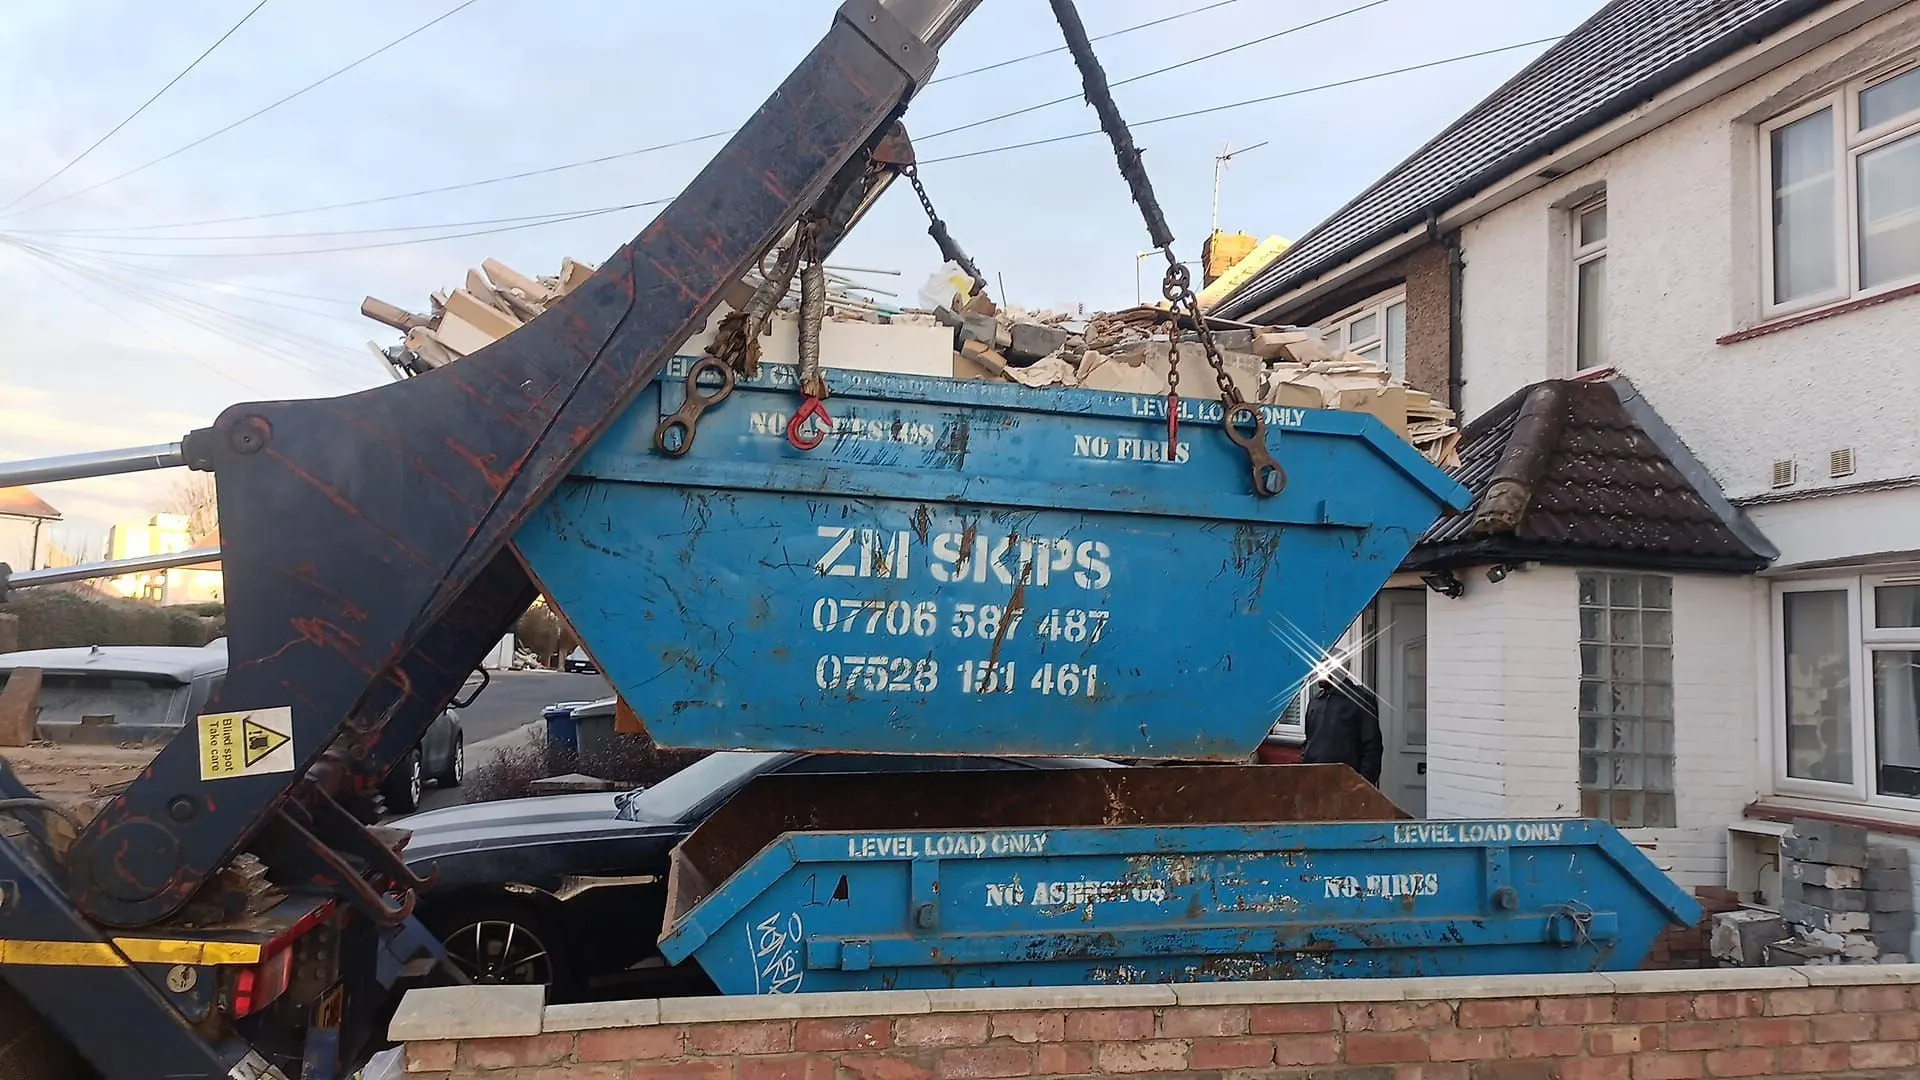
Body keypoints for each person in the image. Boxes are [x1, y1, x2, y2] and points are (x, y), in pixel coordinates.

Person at [1300, 667, 1384, 787]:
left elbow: (1372, 747)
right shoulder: (1315, 701)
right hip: (1314, 782)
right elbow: (1308, 740)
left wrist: (1363, 785)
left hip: (1346, 785)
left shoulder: (1360, 700)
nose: (1318, 674)